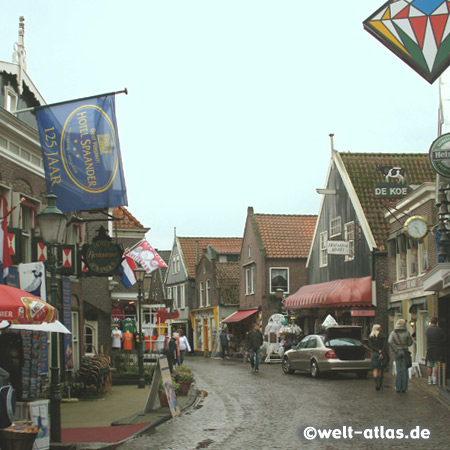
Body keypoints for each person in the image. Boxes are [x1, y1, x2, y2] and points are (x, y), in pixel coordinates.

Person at [388, 319, 413, 393]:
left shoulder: (393, 333)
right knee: (405, 370)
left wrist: (395, 349)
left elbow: (390, 341)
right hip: (405, 351)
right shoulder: (407, 332)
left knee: (398, 370)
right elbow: (409, 343)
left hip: (397, 352)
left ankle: (398, 387)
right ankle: (404, 388)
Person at [368, 324, 389, 391]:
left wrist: (377, 350)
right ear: (379, 329)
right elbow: (384, 345)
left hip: (374, 354)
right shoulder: (382, 336)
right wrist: (381, 351)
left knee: (375, 369)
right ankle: (380, 384)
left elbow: (370, 346)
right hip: (381, 353)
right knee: (380, 369)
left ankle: (376, 384)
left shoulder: (371, 336)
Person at [425, 317, 446, 385]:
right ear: (436, 322)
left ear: (431, 322)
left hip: (429, 349)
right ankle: (435, 380)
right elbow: (444, 339)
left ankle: (429, 380)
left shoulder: (427, 330)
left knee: (429, 365)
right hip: (437, 349)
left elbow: (426, 336)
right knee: (436, 365)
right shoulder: (440, 330)